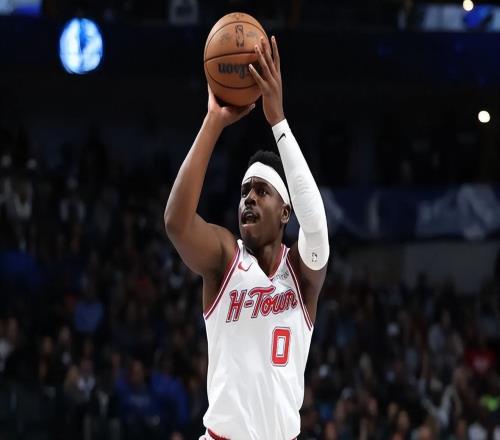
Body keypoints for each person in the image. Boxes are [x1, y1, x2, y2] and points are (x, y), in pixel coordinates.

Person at [164, 35, 329, 439]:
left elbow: (316, 226)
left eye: (261, 191)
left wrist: (278, 122)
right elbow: (176, 223)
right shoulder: (225, 257)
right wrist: (213, 122)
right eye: (244, 192)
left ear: (285, 212)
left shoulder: (302, 274)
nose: (249, 198)